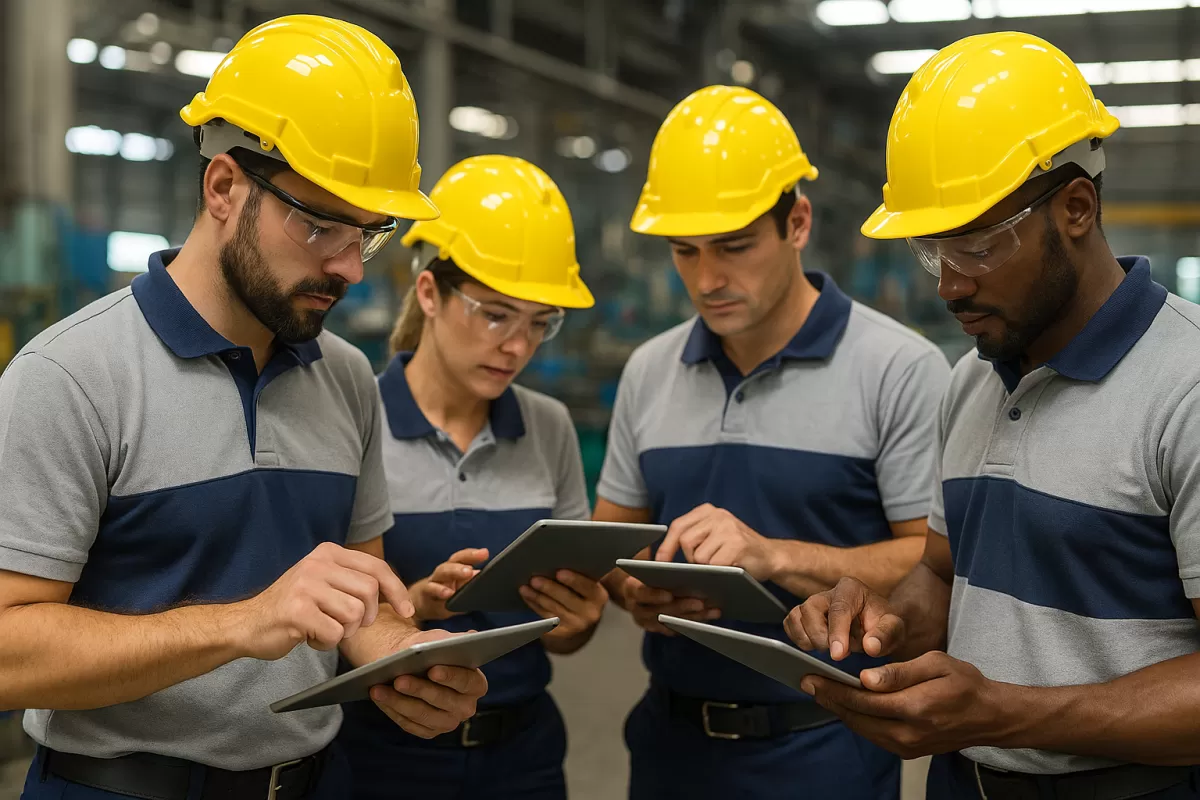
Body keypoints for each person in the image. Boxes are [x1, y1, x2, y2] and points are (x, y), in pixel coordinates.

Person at [0, 16, 487, 800]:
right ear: (223, 186)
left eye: (368, 234)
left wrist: (405, 656)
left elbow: (358, 593)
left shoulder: (347, 377)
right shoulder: (71, 376)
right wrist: (241, 624)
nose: (347, 269)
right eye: (320, 224)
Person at [787, 31, 1200, 800]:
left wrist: (1008, 714)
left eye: (977, 247)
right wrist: (878, 620)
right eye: (931, 250)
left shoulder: (1186, 388)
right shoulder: (970, 383)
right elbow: (945, 575)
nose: (949, 287)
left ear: (1076, 206)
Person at [593, 84, 951, 800]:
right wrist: (635, 586)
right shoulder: (650, 369)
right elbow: (609, 538)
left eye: (733, 247)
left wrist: (773, 555)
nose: (707, 278)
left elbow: (933, 565)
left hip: (824, 746)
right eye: (684, 252)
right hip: (668, 749)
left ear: (797, 222)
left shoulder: (899, 369)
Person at [336, 155, 603, 800]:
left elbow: (572, 632)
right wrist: (411, 606)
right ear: (429, 292)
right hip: (380, 754)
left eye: (540, 323)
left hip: (524, 757)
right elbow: (320, 608)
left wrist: (579, 621)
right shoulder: (354, 419)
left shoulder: (550, 427)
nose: (517, 345)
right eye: (495, 314)